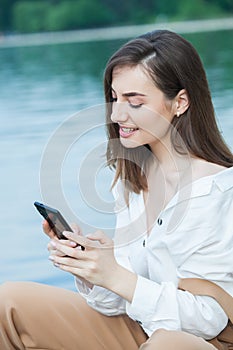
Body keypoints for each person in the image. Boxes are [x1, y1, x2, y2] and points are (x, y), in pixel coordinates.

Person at [0, 29, 233, 350]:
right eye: (114, 97)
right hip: (142, 329)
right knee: (8, 302)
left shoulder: (219, 192)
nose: (117, 114)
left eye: (134, 102)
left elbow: (211, 320)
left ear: (180, 102)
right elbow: (116, 302)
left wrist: (118, 277)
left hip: (200, 342)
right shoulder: (131, 178)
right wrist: (93, 268)